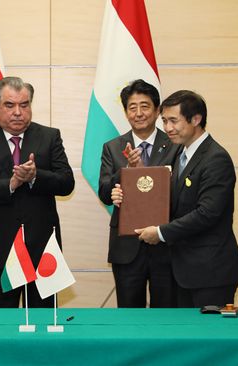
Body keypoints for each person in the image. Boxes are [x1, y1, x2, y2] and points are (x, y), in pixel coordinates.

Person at [0, 76, 75, 308]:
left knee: (43, 324)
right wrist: (10, 184)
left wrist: (35, 177)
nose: (18, 112)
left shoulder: (49, 137)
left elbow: (66, 182)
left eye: (24, 104)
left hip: (42, 250)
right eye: (10, 105)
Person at [127, 90, 238, 307]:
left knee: (207, 339)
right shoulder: (179, 153)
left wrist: (161, 232)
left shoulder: (215, 158)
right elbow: (167, 198)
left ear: (196, 119)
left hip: (210, 272)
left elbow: (207, 213)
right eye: (164, 121)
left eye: (174, 121)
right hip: (183, 270)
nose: (167, 128)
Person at [98, 79, 179, 308]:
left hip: (165, 244)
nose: (139, 113)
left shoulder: (174, 144)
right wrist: (126, 172)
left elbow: (181, 192)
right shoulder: (113, 147)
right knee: (128, 314)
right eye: (132, 107)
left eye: (145, 106)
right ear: (126, 113)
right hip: (126, 246)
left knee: (165, 314)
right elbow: (104, 192)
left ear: (156, 111)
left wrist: (143, 170)